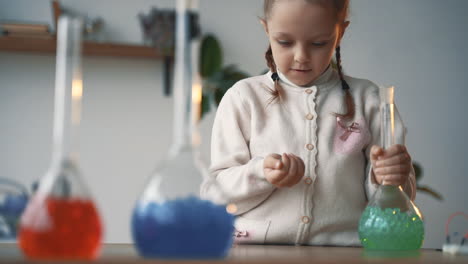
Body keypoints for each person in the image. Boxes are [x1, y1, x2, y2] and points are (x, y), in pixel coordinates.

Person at [200, 0, 416, 246]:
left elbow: (399, 202)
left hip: (344, 253)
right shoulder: (243, 98)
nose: (301, 57)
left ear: (340, 32)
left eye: (318, 43)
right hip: (254, 250)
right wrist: (262, 174)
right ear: (266, 28)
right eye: (285, 42)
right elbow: (215, 196)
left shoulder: (369, 100)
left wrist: (389, 177)